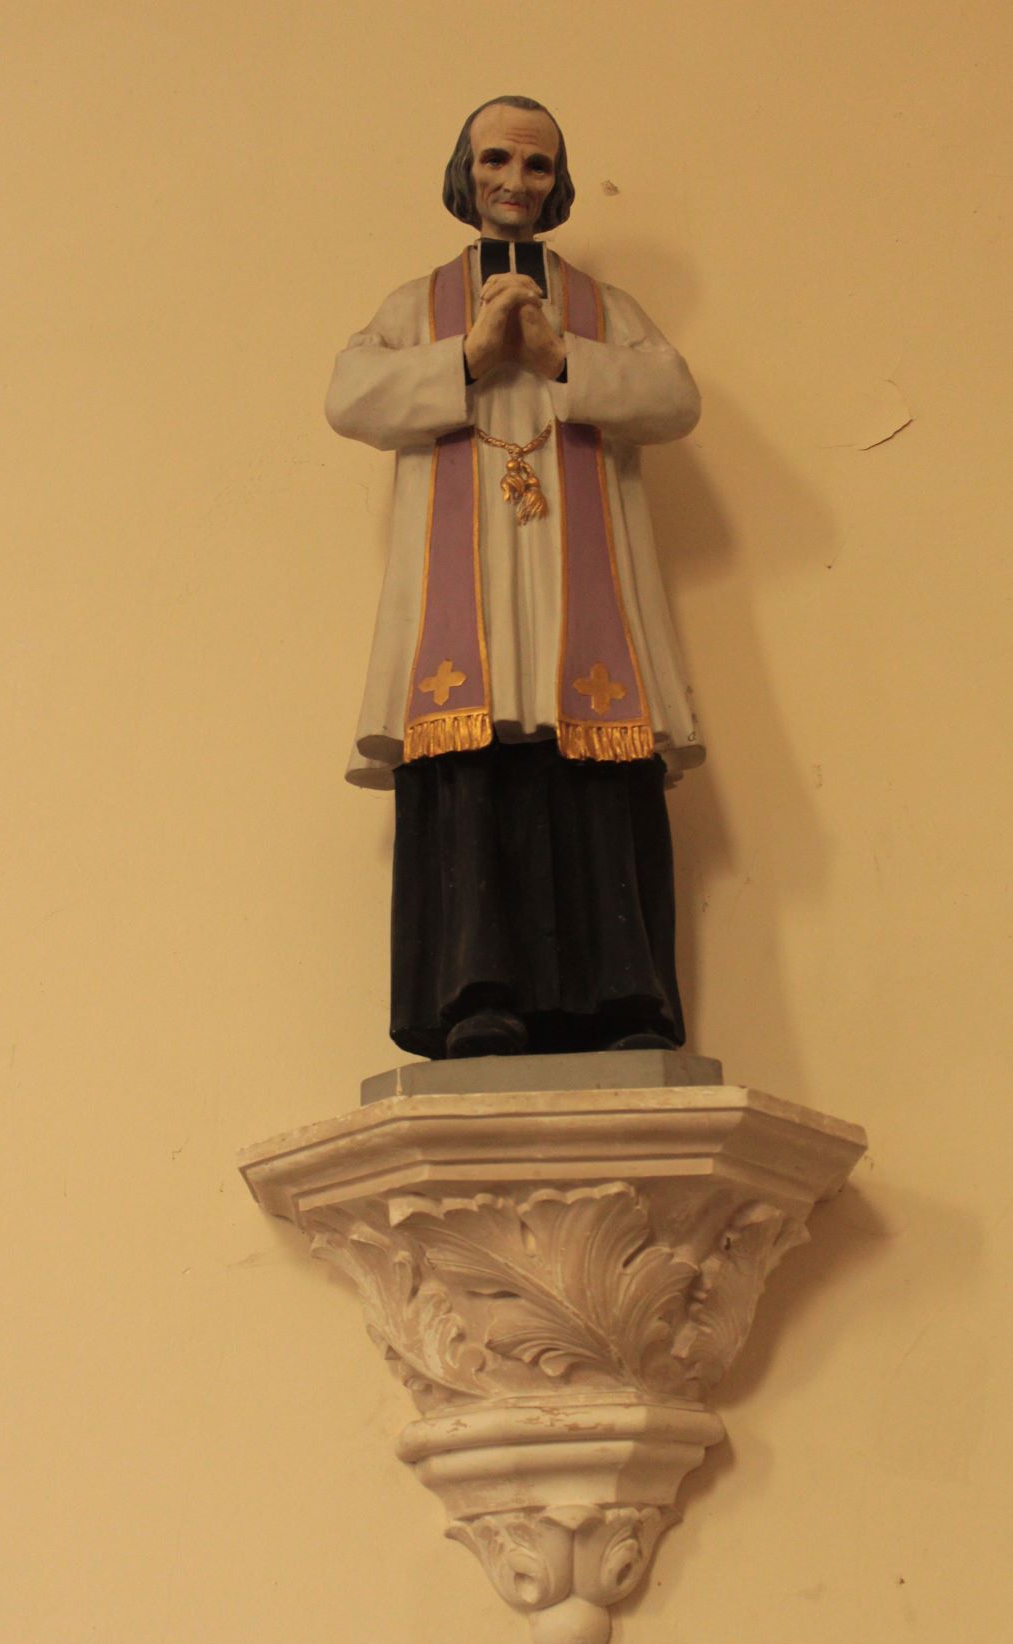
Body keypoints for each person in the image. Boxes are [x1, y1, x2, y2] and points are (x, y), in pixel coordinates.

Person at [325, 96, 704, 1060]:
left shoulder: (605, 311)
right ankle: (476, 994)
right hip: (467, 591)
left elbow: (673, 398)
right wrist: (467, 356)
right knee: (473, 762)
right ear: (466, 172)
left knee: (595, 765)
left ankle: (623, 1000)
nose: (515, 182)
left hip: (585, 588)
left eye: (538, 166)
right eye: (496, 160)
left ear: (558, 184)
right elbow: (350, 397)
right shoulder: (414, 307)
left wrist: (556, 354)